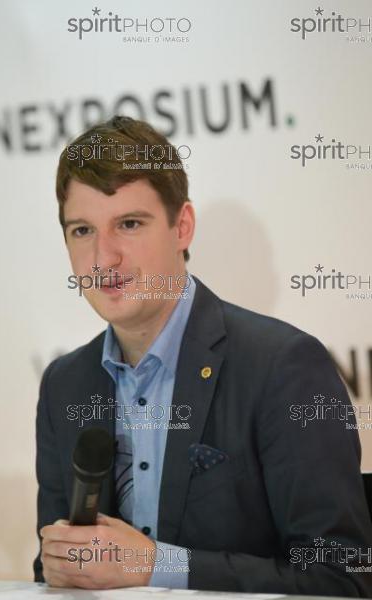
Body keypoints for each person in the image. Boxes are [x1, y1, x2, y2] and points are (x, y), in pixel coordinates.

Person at [34, 116, 372, 595]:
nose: (102, 258)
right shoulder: (64, 384)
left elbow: (342, 581)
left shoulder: (285, 367)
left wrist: (156, 567)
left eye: (129, 224)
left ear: (182, 227)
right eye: (82, 230)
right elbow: (55, 572)